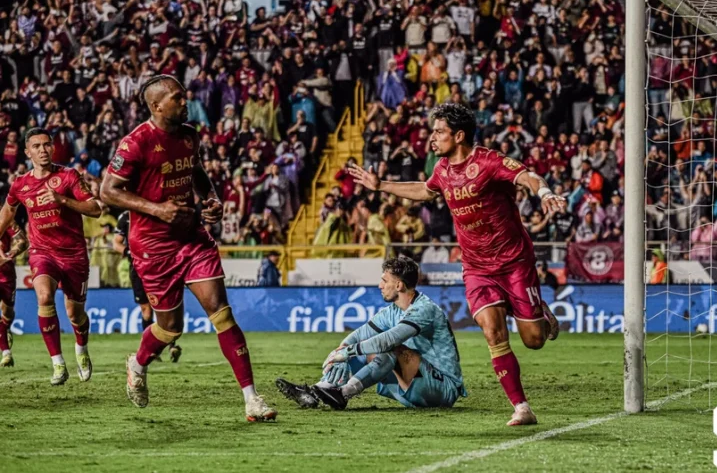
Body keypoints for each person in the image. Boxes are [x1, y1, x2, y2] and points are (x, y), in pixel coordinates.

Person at [349, 103, 563, 426]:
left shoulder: (488, 162)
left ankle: (540, 313)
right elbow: (425, 189)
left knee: (533, 339)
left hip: (514, 261)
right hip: (477, 267)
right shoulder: (442, 169)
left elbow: (526, 175)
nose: (432, 138)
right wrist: (380, 186)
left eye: (439, 132)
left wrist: (544, 192)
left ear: (459, 135)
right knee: (492, 331)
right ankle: (521, 407)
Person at [99, 75, 277, 422]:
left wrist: (210, 199)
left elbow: (196, 173)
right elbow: (108, 191)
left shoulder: (190, 136)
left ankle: (252, 399)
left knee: (221, 312)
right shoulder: (135, 142)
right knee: (169, 328)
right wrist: (156, 209)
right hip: (152, 245)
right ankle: (137, 363)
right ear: (157, 105)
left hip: (192, 237)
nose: (186, 101)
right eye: (178, 97)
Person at [276, 257, 465, 410]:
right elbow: (360, 334)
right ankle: (319, 390)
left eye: (384, 281)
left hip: (443, 388)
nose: (379, 285)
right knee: (366, 348)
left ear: (398, 286)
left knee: (387, 348)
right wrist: (340, 351)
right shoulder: (393, 310)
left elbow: (389, 340)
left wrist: (348, 353)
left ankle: (342, 394)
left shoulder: (425, 309)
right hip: (418, 382)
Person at [0, 128, 102, 384]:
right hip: (42, 252)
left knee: (75, 314)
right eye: (36, 146)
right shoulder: (21, 184)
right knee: (44, 296)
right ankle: (57, 363)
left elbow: (95, 208)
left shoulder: (68, 176)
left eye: (47, 145)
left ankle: (81, 347)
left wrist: (63, 201)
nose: (43, 150)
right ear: (27, 152)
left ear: (53, 148)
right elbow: (6, 215)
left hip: (74, 254)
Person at [113, 210, 181, 362]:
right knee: (146, 310)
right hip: (137, 268)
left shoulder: (153, 212)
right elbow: (116, 243)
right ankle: (151, 350)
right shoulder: (125, 217)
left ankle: (172, 345)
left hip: (157, 266)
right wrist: (128, 251)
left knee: (163, 307)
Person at [0, 219, 28, 368]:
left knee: (7, 312)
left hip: (6, 275)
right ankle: (6, 353)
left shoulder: (7, 221)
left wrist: (7, 256)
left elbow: (23, 242)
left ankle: (6, 327)